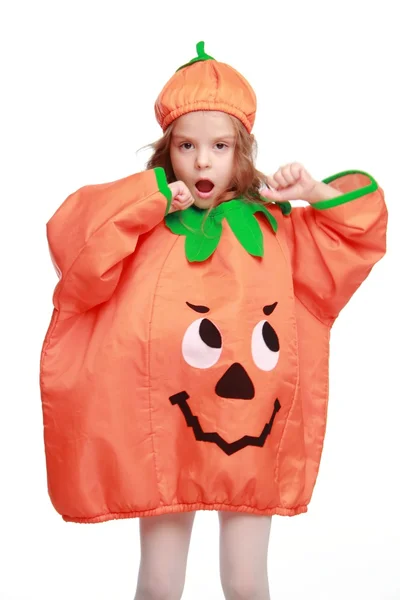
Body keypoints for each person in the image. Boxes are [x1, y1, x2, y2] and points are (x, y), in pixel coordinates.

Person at [39, 41, 388, 600]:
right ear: (168, 151)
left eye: (220, 145)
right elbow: (77, 249)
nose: (203, 161)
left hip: (251, 429)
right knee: (158, 582)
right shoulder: (145, 226)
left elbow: (359, 234)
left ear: (242, 151)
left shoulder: (280, 232)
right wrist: (149, 198)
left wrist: (315, 193)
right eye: (188, 146)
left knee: (247, 581)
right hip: (166, 433)